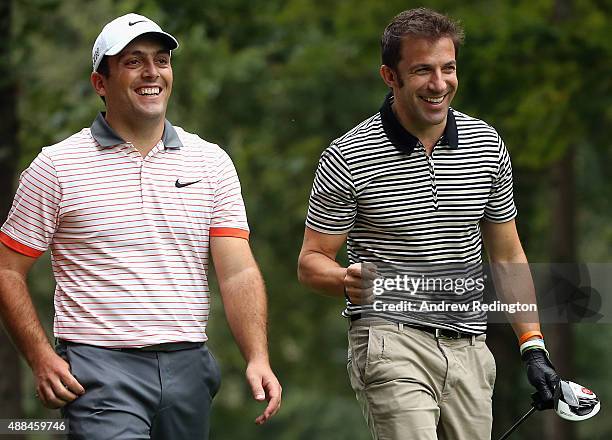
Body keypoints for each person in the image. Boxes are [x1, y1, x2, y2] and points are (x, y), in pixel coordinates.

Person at [0, 13, 281, 440]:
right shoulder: (57, 166)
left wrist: (257, 356)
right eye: (133, 61)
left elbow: (237, 271)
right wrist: (40, 357)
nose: (152, 72)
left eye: (161, 60)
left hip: (189, 366)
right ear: (100, 83)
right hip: (99, 370)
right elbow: (6, 271)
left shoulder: (212, 162)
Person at [298, 8, 557, 440]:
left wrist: (533, 345)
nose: (439, 84)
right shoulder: (347, 156)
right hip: (390, 341)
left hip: (471, 348)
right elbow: (310, 262)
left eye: (448, 68)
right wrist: (347, 278)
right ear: (390, 76)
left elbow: (507, 255)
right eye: (422, 71)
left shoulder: (487, 143)